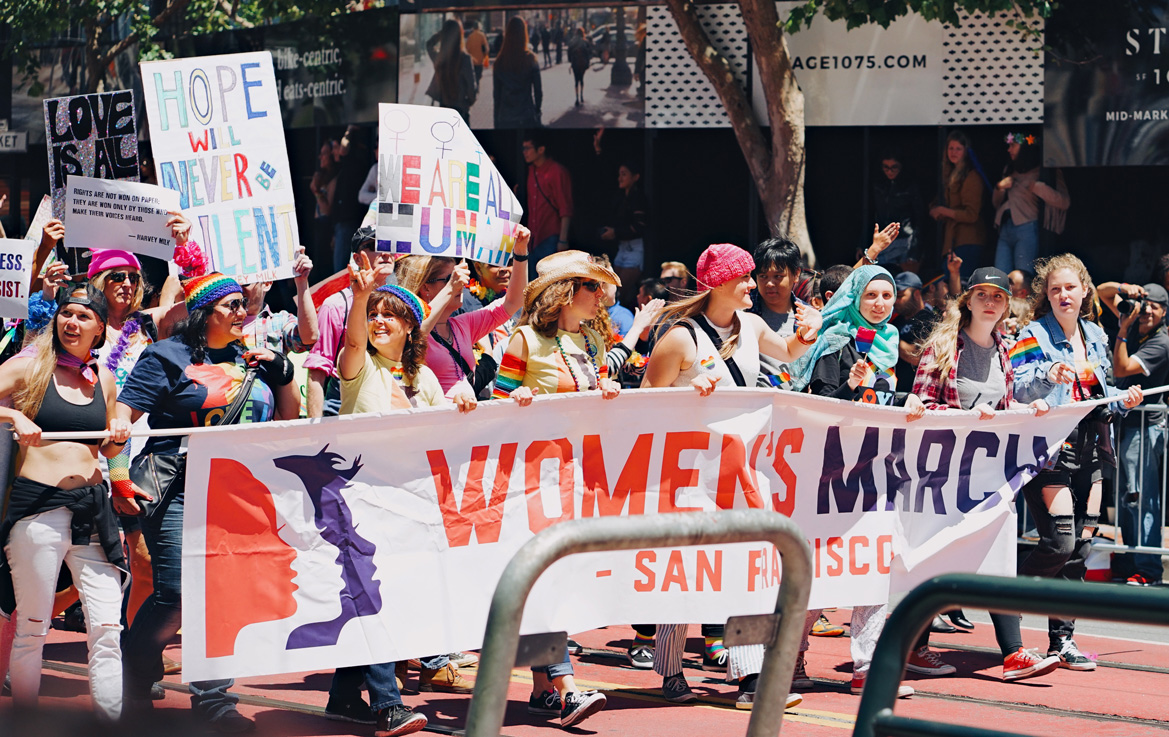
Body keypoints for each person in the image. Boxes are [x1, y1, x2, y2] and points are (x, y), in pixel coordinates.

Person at [641, 242, 822, 709]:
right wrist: (687, 399)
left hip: (742, 471)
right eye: (745, 278)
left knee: (747, 571)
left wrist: (809, 332)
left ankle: (751, 677)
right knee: (685, 572)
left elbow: (787, 353)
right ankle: (670, 667)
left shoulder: (753, 325)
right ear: (720, 282)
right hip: (689, 478)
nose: (754, 285)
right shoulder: (681, 338)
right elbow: (643, 401)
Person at [117, 272, 300, 731]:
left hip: (235, 492)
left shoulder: (253, 359)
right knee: (176, 595)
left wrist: (284, 375)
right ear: (205, 313)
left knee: (222, 598)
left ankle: (214, 699)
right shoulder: (166, 355)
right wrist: (118, 470)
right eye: (233, 305)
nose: (244, 313)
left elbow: (290, 417)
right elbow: (120, 418)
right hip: (176, 488)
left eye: (245, 305)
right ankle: (135, 676)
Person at [912, 266, 1060, 682]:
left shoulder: (1005, 349)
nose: (991, 303)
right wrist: (963, 415)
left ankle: (1013, 652)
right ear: (968, 301)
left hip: (989, 476)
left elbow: (1004, 408)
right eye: (983, 295)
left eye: (998, 297)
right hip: (942, 475)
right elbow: (919, 407)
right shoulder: (944, 347)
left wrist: (1030, 411)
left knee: (999, 553)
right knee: (938, 558)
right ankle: (916, 645)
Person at [787, 265, 927, 699]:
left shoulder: (887, 346)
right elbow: (814, 404)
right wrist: (848, 388)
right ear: (854, 298)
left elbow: (882, 399)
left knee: (873, 571)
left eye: (888, 296)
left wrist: (908, 400)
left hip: (877, 472)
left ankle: (867, 667)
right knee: (825, 573)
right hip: (831, 477)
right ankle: (790, 659)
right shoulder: (833, 341)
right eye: (872, 296)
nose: (882, 303)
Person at [492, 249, 614, 728]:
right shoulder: (525, 339)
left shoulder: (588, 342)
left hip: (578, 479)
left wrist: (608, 396)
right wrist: (516, 400)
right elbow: (495, 407)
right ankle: (565, 689)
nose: (600, 295)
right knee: (547, 580)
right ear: (565, 294)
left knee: (556, 581)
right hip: (534, 480)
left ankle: (543, 691)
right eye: (590, 286)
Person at [0, 285, 131, 720]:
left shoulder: (104, 379)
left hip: (93, 510)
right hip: (38, 509)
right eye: (66, 314)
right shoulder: (30, 367)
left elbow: (108, 453)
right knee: (33, 627)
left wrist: (118, 438)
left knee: (108, 626)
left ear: (100, 328)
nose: (71, 323)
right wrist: (15, 414)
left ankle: (108, 723)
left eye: (83, 317)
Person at [1010, 254, 1143, 670]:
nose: (1063, 295)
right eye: (1054, 289)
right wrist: (1049, 373)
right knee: (1060, 541)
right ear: (1046, 296)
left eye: (1070, 287)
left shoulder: (1096, 336)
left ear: (1085, 289)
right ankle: (1000, 598)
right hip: (1050, 450)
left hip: (1095, 449)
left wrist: (1125, 400)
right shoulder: (1033, 333)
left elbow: (1103, 398)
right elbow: (1017, 384)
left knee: (1081, 549)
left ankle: (1061, 642)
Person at [393, 225, 530, 399]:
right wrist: (451, 287)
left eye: (459, 279)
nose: (461, 284)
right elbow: (416, 334)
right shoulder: (409, 328)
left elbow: (514, 301)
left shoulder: (463, 324)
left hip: (465, 420)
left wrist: (520, 253)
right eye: (450, 278)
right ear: (425, 286)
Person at [1108, 283, 1169, 586]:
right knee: (1128, 498)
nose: (1145, 311)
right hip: (1128, 425)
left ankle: (1147, 570)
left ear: (1164, 312)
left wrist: (1122, 331)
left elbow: (1121, 369)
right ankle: (1130, 562)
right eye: (1142, 305)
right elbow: (1101, 293)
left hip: (1146, 428)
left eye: (1152, 307)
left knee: (1143, 499)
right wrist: (1124, 290)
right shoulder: (1134, 323)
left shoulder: (1161, 342)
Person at [306, 227, 396, 418]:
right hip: (345, 408)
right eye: (374, 246)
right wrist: (315, 432)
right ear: (356, 259)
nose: (385, 253)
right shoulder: (335, 305)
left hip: (392, 402)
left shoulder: (404, 302)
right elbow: (317, 371)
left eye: (389, 245)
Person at [993, 133, 1070, 276]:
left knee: (1023, 278)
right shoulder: (1009, 170)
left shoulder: (1045, 171)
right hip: (1004, 229)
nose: (1009, 150)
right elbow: (995, 204)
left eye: (1013, 145)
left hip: (1027, 228)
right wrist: (999, 188)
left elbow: (1064, 202)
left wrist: (1040, 188)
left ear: (1025, 148)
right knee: (1000, 277)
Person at [930, 130, 986, 281]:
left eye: (958, 149)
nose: (953, 152)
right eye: (951, 148)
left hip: (968, 240)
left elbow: (971, 214)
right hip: (951, 242)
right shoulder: (948, 174)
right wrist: (935, 209)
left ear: (966, 151)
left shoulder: (971, 176)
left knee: (961, 285)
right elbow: (939, 201)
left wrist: (944, 211)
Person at [523, 131, 573, 277]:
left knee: (551, 283)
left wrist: (563, 240)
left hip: (551, 236)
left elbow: (566, 208)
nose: (524, 152)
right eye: (523, 148)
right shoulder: (531, 170)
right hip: (533, 239)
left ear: (541, 149)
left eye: (528, 148)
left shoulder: (556, 171)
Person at [600, 160, 648, 306]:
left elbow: (640, 226)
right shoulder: (620, 198)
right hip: (622, 248)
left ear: (635, 177)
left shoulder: (639, 198)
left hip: (635, 248)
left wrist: (616, 232)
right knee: (611, 285)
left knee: (620, 290)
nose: (620, 178)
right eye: (619, 174)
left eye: (624, 174)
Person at [872, 150, 927, 267]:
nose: (890, 171)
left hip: (905, 239)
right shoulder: (879, 186)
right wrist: (862, 244)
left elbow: (919, 218)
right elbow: (872, 215)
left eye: (894, 167)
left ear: (901, 166)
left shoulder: (910, 187)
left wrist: (915, 249)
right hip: (884, 239)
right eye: (886, 167)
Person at [493, 17, 543, 129]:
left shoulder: (499, 62)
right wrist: (537, 110)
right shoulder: (531, 60)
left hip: (505, 118)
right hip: (526, 116)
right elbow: (538, 91)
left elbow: (497, 96)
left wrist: (496, 122)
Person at [426, 19, 477, 124]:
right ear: (460, 36)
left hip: (443, 110)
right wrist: (469, 102)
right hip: (461, 111)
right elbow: (472, 88)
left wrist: (442, 34)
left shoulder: (440, 58)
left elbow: (429, 44)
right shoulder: (465, 59)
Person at [567, 28, 592, 106]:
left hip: (575, 62)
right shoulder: (584, 41)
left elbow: (569, 51)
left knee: (576, 80)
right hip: (583, 62)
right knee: (581, 79)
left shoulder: (573, 41)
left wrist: (570, 60)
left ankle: (577, 97)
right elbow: (588, 52)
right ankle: (581, 95)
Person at [465, 20, 490, 90]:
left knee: (473, 77)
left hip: (471, 61)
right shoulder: (482, 36)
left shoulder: (470, 36)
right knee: (478, 76)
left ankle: (473, 88)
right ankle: (477, 88)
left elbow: (467, 49)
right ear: (479, 27)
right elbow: (486, 48)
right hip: (479, 60)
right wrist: (485, 55)